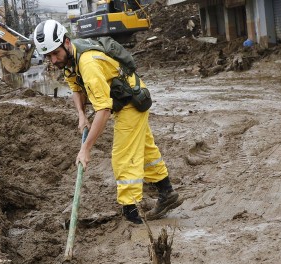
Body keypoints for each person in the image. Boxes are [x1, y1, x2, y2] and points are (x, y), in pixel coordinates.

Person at [33, 20, 183, 224]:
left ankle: (132, 213)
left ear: (66, 42)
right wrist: (81, 115)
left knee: (123, 156)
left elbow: (103, 110)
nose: (53, 60)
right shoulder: (69, 59)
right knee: (146, 150)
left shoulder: (87, 63)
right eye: (48, 56)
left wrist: (86, 148)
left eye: (55, 53)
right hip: (122, 98)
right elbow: (76, 88)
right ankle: (167, 193)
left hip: (131, 100)